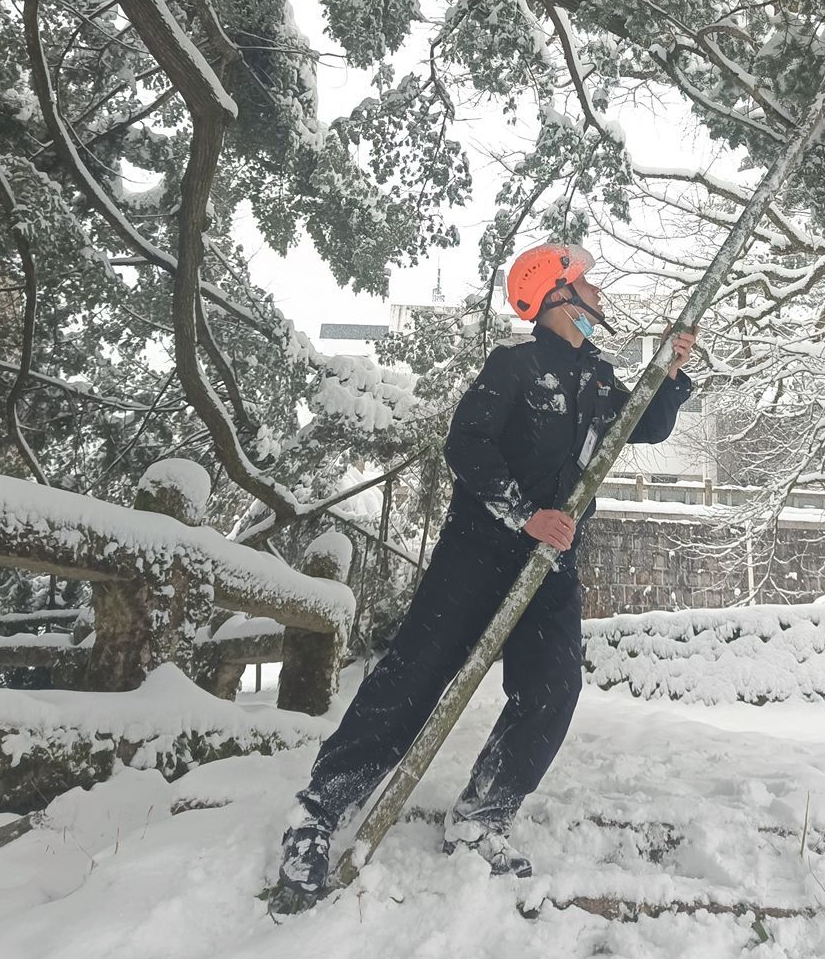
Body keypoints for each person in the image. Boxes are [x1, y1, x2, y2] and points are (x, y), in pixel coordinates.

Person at [275, 243, 696, 906]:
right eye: (587, 285)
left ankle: (483, 815)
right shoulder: (516, 367)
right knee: (413, 677)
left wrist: (670, 373)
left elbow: (647, 426)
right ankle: (318, 813)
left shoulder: (597, 379)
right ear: (558, 297)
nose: (599, 296)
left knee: (554, 686)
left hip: (551, 566)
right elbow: (465, 443)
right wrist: (524, 514)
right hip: (479, 551)